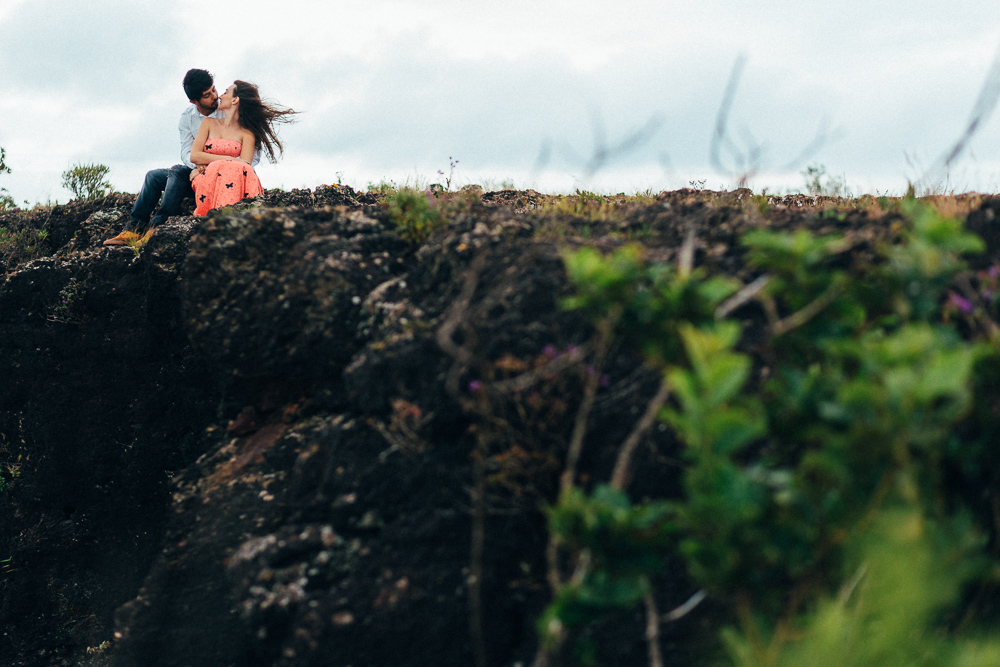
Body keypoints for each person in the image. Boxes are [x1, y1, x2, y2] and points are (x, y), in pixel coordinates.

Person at [103, 69, 260, 246]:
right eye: (207, 95)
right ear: (194, 101)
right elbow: (188, 152)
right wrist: (198, 166)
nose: (215, 96)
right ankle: (133, 229)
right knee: (154, 176)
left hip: (222, 177)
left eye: (214, 90)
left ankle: (157, 228)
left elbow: (248, 160)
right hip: (196, 170)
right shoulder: (188, 118)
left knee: (176, 172)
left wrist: (210, 165)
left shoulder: (229, 111)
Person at [190, 80, 296, 216]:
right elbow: (194, 156)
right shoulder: (208, 123)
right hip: (207, 178)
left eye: (225, 92)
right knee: (234, 167)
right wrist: (230, 159)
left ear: (235, 100)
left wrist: (213, 162)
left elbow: (245, 165)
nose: (219, 96)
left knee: (238, 169)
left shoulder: (247, 133)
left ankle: (225, 217)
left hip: (233, 181)